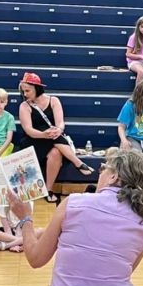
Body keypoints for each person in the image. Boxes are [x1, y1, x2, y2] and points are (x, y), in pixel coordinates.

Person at [8, 149, 143, 286]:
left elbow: (35, 259)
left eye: (103, 169)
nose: (100, 174)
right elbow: (118, 270)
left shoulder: (73, 203)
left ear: (114, 177)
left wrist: (25, 218)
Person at [18, 72, 94, 204]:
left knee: (56, 152)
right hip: (33, 141)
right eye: (23, 91)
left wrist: (57, 130)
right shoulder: (24, 106)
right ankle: (78, 163)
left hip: (53, 140)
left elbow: (60, 123)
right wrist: (44, 134)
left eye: (28, 91)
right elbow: (29, 130)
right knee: (52, 137)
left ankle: (48, 190)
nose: (25, 94)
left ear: (37, 88)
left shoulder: (54, 100)